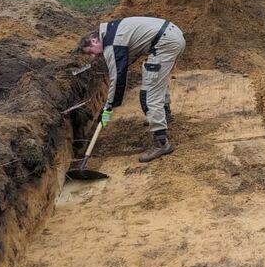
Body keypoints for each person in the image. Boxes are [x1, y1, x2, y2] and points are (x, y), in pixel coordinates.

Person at [78, 17, 186, 163]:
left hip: (165, 43)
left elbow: (118, 78)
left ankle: (162, 143)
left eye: (90, 51)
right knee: (154, 77)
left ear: (94, 40)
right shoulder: (111, 30)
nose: (93, 56)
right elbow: (124, 65)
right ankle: (165, 115)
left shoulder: (111, 45)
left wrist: (109, 106)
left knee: (148, 96)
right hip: (173, 35)